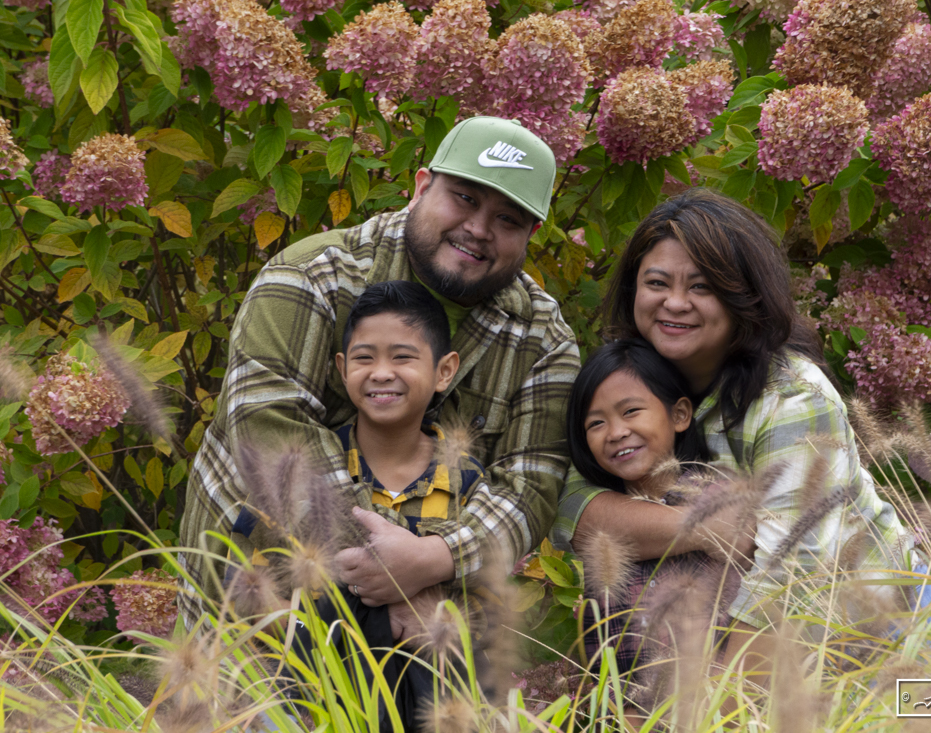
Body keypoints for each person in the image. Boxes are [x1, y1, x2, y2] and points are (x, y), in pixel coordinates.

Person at [179, 116, 581, 629]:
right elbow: (269, 430)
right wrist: (388, 566)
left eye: (508, 219)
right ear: (421, 187)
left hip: (424, 635)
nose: (479, 229)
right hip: (253, 609)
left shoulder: (543, 341)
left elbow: (530, 484)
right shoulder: (312, 276)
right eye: (464, 198)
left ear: (532, 234)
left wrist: (433, 560)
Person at [553, 189, 919, 688]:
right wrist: (707, 527)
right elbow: (573, 502)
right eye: (656, 282)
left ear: (743, 295)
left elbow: (791, 583)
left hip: (868, 640)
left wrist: (697, 711)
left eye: (702, 287)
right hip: (709, 634)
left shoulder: (793, 399)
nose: (675, 303)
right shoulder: (630, 380)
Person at [228, 281, 486, 731]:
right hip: (313, 702)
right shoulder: (303, 469)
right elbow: (251, 588)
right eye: (365, 358)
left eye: (403, 357)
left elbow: (490, 602)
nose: (382, 373)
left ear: (445, 371)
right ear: (343, 368)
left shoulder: (467, 484)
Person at [566, 338, 749, 679]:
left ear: (679, 414)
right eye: (596, 423)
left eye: (631, 411)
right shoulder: (600, 525)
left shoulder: (721, 501)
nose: (616, 432)